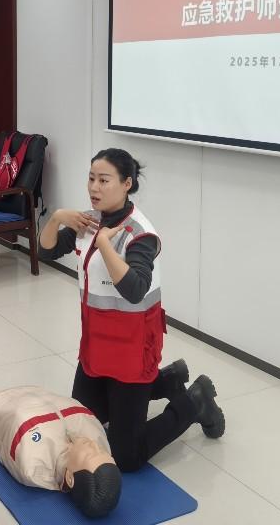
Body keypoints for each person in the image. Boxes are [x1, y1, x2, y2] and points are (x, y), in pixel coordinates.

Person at [38, 148, 225, 473]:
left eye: (104, 180)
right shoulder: (88, 220)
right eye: (91, 179)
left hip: (132, 349)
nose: (94, 187)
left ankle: (195, 400)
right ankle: (167, 381)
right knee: (81, 427)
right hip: (95, 345)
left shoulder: (141, 233)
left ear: (127, 184)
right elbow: (45, 252)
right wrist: (56, 218)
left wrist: (105, 245)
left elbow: (135, 289)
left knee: (125, 456)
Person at [0, 386, 121, 518]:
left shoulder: (33, 462)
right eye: (101, 451)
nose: (93, 445)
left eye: (89, 455)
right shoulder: (98, 437)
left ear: (70, 478)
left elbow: (1, 432)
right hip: (37, 390)